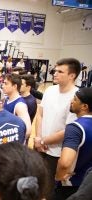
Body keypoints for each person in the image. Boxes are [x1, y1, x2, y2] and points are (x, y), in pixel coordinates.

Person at [34, 58, 81, 200]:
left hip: (58, 152)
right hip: (40, 145)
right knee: (37, 182)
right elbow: (40, 115)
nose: (54, 73)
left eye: (60, 71)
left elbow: (70, 129)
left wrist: (43, 141)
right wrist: (37, 138)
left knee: (49, 190)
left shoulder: (77, 97)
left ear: (72, 75)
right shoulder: (50, 90)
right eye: (55, 70)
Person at [55, 87, 92, 199]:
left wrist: (58, 176)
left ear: (84, 106)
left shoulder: (75, 128)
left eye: (75, 99)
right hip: (88, 184)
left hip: (71, 185)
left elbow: (65, 162)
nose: (71, 101)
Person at [2, 74, 32, 138]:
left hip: (13, 145)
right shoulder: (7, 99)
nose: (3, 86)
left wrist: (12, 139)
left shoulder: (20, 105)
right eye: (3, 83)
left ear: (15, 86)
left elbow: (28, 131)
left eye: (6, 84)